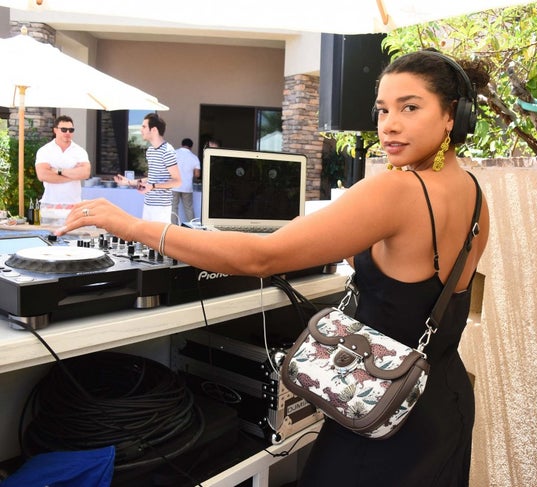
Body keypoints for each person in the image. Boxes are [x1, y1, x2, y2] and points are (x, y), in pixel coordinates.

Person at [58, 50, 490, 486]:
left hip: (382, 413)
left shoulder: (396, 190)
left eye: (410, 107)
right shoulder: (473, 193)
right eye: (382, 110)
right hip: (442, 405)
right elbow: (415, 279)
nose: (389, 125)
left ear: (452, 115)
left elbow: (261, 258)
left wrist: (134, 227)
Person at [114, 113, 181, 222]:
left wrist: (153, 186)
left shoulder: (168, 151)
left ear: (154, 130)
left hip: (161, 208)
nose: (141, 130)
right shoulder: (150, 151)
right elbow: (152, 178)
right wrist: (128, 182)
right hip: (148, 204)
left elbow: (177, 181)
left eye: (144, 127)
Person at [35, 115, 91, 204]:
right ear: (55, 130)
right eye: (64, 129)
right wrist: (73, 176)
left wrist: (58, 171)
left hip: (74, 204)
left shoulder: (80, 151)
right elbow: (43, 175)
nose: (68, 132)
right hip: (50, 203)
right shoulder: (45, 150)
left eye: (71, 130)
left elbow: (85, 173)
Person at [171, 138, 201, 224]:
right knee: (188, 208)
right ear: (191, 147)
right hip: (187, 187)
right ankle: (192, 226)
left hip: (174, 185)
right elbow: (197, 174)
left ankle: (173, 226)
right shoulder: (194, 157)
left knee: (173, 207)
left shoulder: (173, 154)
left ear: (182, 144)